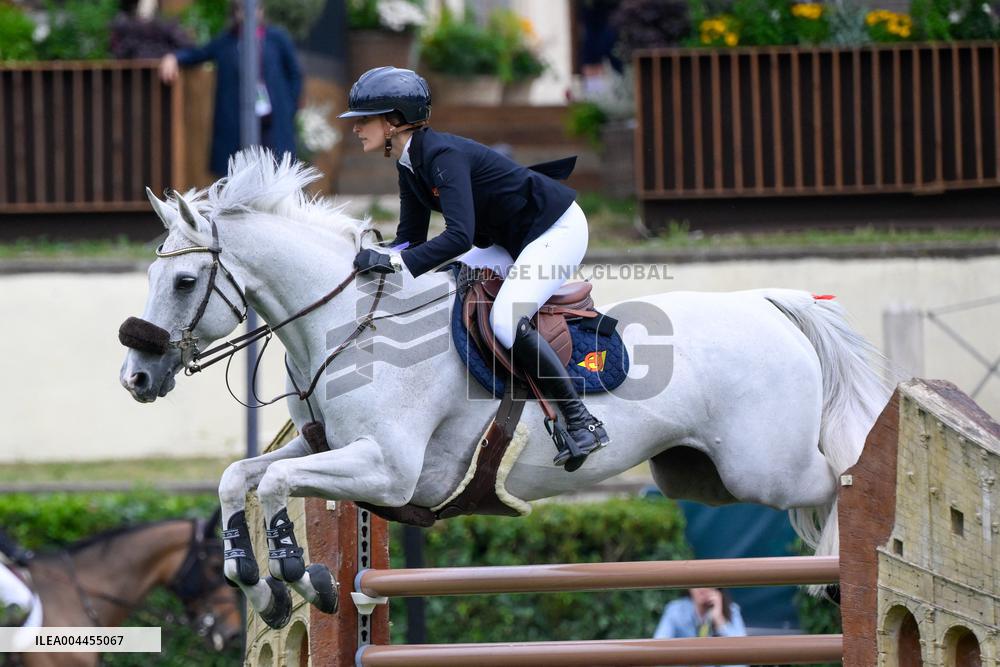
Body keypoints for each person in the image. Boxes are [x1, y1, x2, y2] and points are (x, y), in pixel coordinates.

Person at [339, 66, 610, 471]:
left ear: (394, 121)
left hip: (557, 230)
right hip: (510, 239)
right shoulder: (409, 164)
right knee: (447, 285)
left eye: (365, 119)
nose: (356, 128)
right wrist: (372, 256)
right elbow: (409, 239)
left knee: (505, 320)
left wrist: (396, 261)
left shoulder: (442, 157)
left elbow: (459, 236)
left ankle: (582, 420)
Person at [158, 0, 303, 177]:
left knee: (276, 169)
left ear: (262, 11)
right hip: (236, 123)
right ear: (234, 13)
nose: (248, 14)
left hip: (272, 121)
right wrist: (174, 58)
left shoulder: (276, 39)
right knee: (240, 173)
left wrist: (289, 107)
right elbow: (199, 54)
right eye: (241, 10)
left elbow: (295, 73)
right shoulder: (226, 42)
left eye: (254, 9)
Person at [654, 588, 747, 667]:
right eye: (697, 582)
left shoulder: (731, 610)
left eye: (708, 582)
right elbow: (658, 650)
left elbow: (742, 659)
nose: (702, 588)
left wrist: (719, 620)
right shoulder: (676, 610)